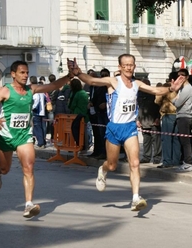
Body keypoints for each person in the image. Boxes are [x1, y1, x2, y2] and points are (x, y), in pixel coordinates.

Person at [68, 54, 185, 211]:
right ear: (120, 67)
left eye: (131, 64)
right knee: (112, 165)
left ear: (134, 66)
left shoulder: (137, 83)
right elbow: (91, 81)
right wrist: (78, 73)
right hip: (114, 128)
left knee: (135, 163)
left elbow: (155, 90)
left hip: (130, 128)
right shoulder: (113, 82)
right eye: (126, 65)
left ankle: (136, 198)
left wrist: (171, 89)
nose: (129, 67)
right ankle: (102, 170)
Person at [0, 60, 74, 218]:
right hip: (6, 135)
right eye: (22, 72)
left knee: (29, 167)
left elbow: (52, 86)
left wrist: (70, 76)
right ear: (13, 74)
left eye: (27, 72)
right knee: (5, 168)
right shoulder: (5, 90)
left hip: (24, 135)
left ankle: (28, 204)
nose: (25, 75)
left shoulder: (32, 89)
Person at [155, 77, 180, 169]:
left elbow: (157, 101)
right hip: (177, 114)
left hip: (167, 114)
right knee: (176, 139)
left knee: (166, 139)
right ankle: (176, 160)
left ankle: (167, 161)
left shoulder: (165, 89)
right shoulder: (178, 89)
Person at [173, 69, 192, 172]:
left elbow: (177, 103)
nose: (180, 77)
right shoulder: (182, 88)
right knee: (182, 140)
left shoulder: (187, 89)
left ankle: (188, 163)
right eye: (178, 76)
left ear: (186, 77)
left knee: (185, 141)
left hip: (184, 116)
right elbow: (176, 100)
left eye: (182, 76)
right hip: (181, 115)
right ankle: (185, 162)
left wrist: (175, 99)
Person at [137, 77, 162, 164]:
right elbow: (136, 108)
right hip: (143, 121)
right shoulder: (138, 94)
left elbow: (159, 107)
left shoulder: (154, 94)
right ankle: (146, 157)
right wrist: (137, 120)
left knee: (156, 140)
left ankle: (157, 157)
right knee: (146, 140)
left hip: (154, 121)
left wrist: (158, 118)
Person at [87, 68, 110, 159]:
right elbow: (95, 98)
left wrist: (106, 104)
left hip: (106, 113)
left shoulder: (110, 86)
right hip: (97, 112)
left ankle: (105, 153)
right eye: (102, 75)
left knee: (105, 134)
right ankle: (98, 151)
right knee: (98, 134)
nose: (103, 77)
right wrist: (91, 103)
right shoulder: (97, 87)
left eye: (105, 75)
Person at [68, 78, 89, 148]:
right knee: (84, 132)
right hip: (85, 114)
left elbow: (71, 105)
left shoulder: (75, 94)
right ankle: (84, 145)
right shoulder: (84, 93)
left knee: (76, 131)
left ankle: (79, 145)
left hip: (76, 115)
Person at [31, 76, 46, 148]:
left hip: (37, 112)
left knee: (37, 127)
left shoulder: (36, 93)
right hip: (42, 112)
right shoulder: (42, 92)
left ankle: (41, 143)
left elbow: (36, 102)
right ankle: (43, 141)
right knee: (41, 127)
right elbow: (46, 100)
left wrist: (32, 108)